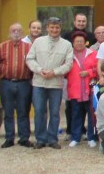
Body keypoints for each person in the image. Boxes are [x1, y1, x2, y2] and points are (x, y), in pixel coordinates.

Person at [25, 17, 73, 149]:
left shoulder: (66, 44)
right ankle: (40, 138)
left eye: (57, 27)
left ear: (60, 28)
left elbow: (69, 64)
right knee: (39, 110)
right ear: (47, 28)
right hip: (39, 82)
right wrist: (39, 70)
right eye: (52, 27)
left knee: (54, 112)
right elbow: (29, 59)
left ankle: (52, 138)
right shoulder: (38, 42)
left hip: (55, 83)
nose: (54, 30)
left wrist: (55, 72)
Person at [0, 23, 33, 148]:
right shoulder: (1, 47)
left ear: (22, 33)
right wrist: (5, 73)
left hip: (24, 83)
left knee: (23, 111)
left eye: (19, 30)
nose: (16, 32)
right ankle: (9, 138)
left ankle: (24, 137)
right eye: (13, 30)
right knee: (8, 111)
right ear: (9, 32)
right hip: (7, 82)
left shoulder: (29, 47)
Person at [65, 32, 98, 148]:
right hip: (75, 89)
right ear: (73, 43)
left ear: (86, 43)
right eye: (76, 41)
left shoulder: (93, 54)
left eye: (81, 41)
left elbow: (98, 69)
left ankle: (92, 137)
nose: (79, 43)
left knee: (92, 115)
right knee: (76, 114)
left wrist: (88, 73)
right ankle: (75, 137)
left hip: (90, 89)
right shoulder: (68, 55)